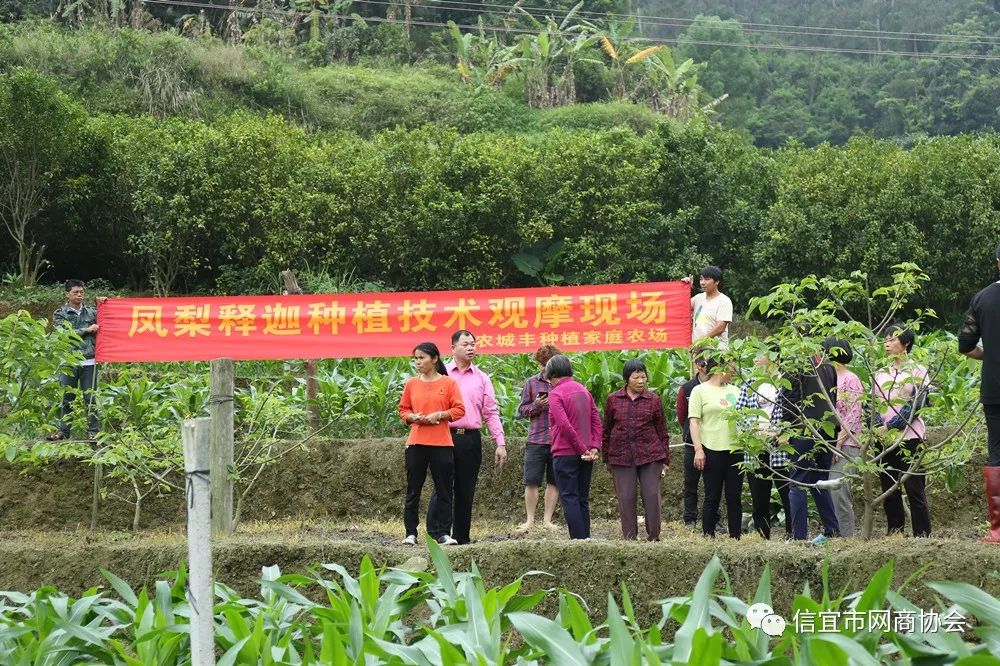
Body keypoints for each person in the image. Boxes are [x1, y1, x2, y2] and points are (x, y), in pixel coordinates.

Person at [428, 330, 507, 545]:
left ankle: (461, 537)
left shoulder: (482, 378)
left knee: (466, 489)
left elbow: (491, 413)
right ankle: (437, 534)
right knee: (442, 486)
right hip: (443, 435)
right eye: (465, 344)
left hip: (470, 439)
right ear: (453, 348)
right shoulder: (440, 375)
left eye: (473, 344)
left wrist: (500, 443)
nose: (471, 348)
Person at [397, 342, 466, 546]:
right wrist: (412, 417)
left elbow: (459, 410)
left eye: (421, 358)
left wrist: (441, 414)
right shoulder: (411, 383)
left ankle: (443, 532)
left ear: (434, 359)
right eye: (415, 358)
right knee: (413, 490)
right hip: (417, 442)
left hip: (442, 443)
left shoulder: (449, 383)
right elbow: (403, 410)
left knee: (444, 489)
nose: (418, 362)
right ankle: (411, 533)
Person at [958, 246, 1000, 543]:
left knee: (997, 451)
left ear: (997, 262)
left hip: (995, 387)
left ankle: (998, 529)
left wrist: (990, 355)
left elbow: (965, 344)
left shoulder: (983, 298)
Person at [873, 325, 931, 538]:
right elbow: (872, 404)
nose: (887, 343)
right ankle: (895, 534)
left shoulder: (917, 370)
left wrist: (891, 426)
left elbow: (917, 404)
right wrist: (878, 426)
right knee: (889, 490)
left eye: (892, 339)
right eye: (885, 339)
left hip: (910, 438)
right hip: (883, 440)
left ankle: (922, 537)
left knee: (915, 490)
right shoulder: (880, 372)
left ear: (906, 343)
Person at [602, 359, 670, 541]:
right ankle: (630, 538)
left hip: (650, 455)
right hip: (621, 455)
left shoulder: (654, 400)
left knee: (651, 495)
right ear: (626, 379)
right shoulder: (613, 400)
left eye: (643, 377)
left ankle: (653, 536)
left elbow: (662, 431)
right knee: (626, 498)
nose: (641, 381)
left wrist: (665, 460)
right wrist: (607, 458)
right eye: (636, 377)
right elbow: (606, 430)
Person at [778, 352, 842, 543]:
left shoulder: (794, 360)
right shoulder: (827, 364)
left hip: (803, 428)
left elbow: (789, 398)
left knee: (797, 482)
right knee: (820, 480)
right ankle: (832, 530)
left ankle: (799, 537)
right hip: (828, 428)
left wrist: (786, 429)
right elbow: (833, 397)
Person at [546, 354, 602, 540]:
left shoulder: (555, 394)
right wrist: (593, 447)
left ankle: (578, 540)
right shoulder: (583, 390)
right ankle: (586, 537)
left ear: (551, 373)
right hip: (586, 453)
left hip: (565, 453)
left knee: (569, 497)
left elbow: (564, 425)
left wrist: (581, 449)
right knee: (582, 498)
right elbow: (596, 420)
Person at [736, 353, 791, 540]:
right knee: (759, 498)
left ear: (774, 357)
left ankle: (792, 534)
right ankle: (762, 537)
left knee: (788, 494)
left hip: (781, 449)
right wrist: (751, 432)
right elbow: (740, 414)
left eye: (760, 355)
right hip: (755, 448)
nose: (755, 359)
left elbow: (794, 413)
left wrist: (781, 433)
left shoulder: (785, 382)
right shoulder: (749, 383)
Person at [689, 358, 742, 539]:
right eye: (731, 367)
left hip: (736, 449)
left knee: (734, 497)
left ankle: (736, 536)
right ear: (720, 368)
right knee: (712, 496)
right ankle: (708, 535)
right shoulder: (700, 391)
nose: (734, 371)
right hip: (711, 448)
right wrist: (698, 450)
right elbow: (694, 422)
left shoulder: (736, 391)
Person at [48, 279, 103, 440]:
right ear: (67, 295)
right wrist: (87, 329)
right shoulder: (60, 313)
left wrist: (104, 304)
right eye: (75, 292)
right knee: (67, 398)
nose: (79, 295)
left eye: (81, 292)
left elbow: (109, 318)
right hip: (69, 361)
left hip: (89, 361)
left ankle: (93, 431)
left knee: (90, 397)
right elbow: (63, 333)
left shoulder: (92, 312)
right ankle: (64, 432)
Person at [515, 344, 562, 533]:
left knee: (554, 481)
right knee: (531, 481)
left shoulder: (562, 383)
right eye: (542, 364)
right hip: (536, 438)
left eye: (548, 364)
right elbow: (521, 410)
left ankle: (547, 520)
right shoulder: (531, 383)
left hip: (558, 440)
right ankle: (530, 520)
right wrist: (536, 405)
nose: (545, 368)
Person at [823, 337, 863, 538]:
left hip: (846, 445)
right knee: (829, 492)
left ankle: (846, 538)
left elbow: (854, 415)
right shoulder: (826, 379)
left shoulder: (851, 379)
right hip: (829, 444)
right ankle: (833, 534)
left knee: (839, 491)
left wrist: (837, 444)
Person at [677, 356, 709, 528]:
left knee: (713, 484)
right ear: (698, 366)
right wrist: (691, 432)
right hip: (691, 443)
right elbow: (682, 416)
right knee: (691, 483)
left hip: (712, 441)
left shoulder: (718, 385)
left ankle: (714, 518)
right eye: (707, 363)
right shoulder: (687, 388)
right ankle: (690, 518)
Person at [690, 266, 734, 348]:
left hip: (716, 351)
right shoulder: (697, 298)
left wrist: (700, 342)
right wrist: (686, 288)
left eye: (707, 279)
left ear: (717, 281)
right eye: (701, 279)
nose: (702, 282)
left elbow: (720, 328)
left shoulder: (724, 301)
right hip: (696, 350)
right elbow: (681, 307)